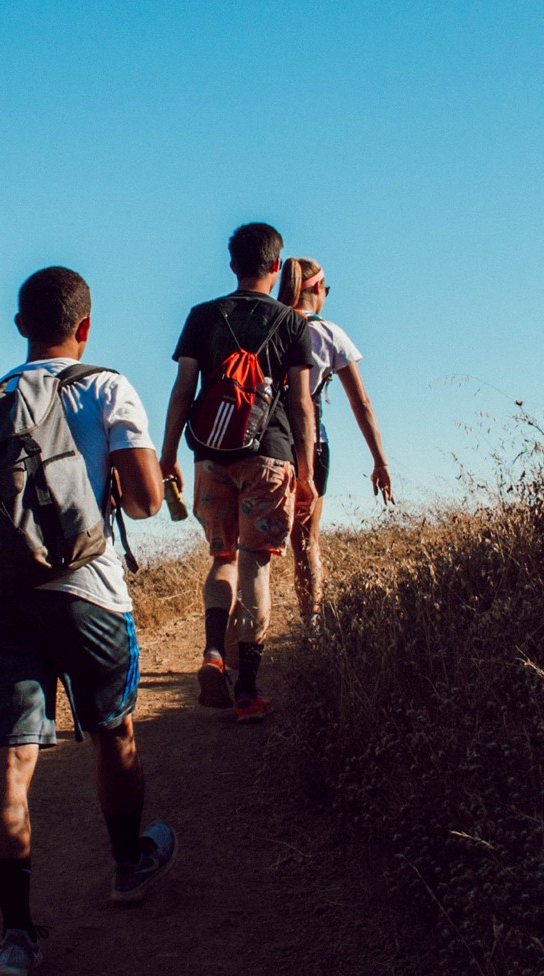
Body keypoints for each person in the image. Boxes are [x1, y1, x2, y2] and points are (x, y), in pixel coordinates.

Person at [0, 266, 176, 976]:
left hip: (1, 597)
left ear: (20, 325)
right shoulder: (108, 386)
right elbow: (142, 503)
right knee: (113, 730)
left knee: (9, 766)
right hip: (88, 595)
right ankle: (128, 864)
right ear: (86, 326)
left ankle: (15, 938)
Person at [161, 223, 316, 724]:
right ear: (277, 266)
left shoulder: (202, 316)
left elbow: (183, 390)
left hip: (210, 456)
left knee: (222, 558)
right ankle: (248, 691)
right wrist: (307, 473)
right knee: (256, 565)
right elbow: (300, 405)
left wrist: (167, 457)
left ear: (232, 265)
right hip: (269, 457)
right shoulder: (294, 325)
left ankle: (212, 652)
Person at [275, 257, 394, 632]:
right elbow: (362, 403)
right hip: (312, 445)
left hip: (268, 444)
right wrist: (380, 461)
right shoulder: (329, 334)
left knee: (255, 543)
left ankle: (241, 634)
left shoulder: (271, 325)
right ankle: (312, 626)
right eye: (326, 289)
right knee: (306, 541)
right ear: (315, 289)